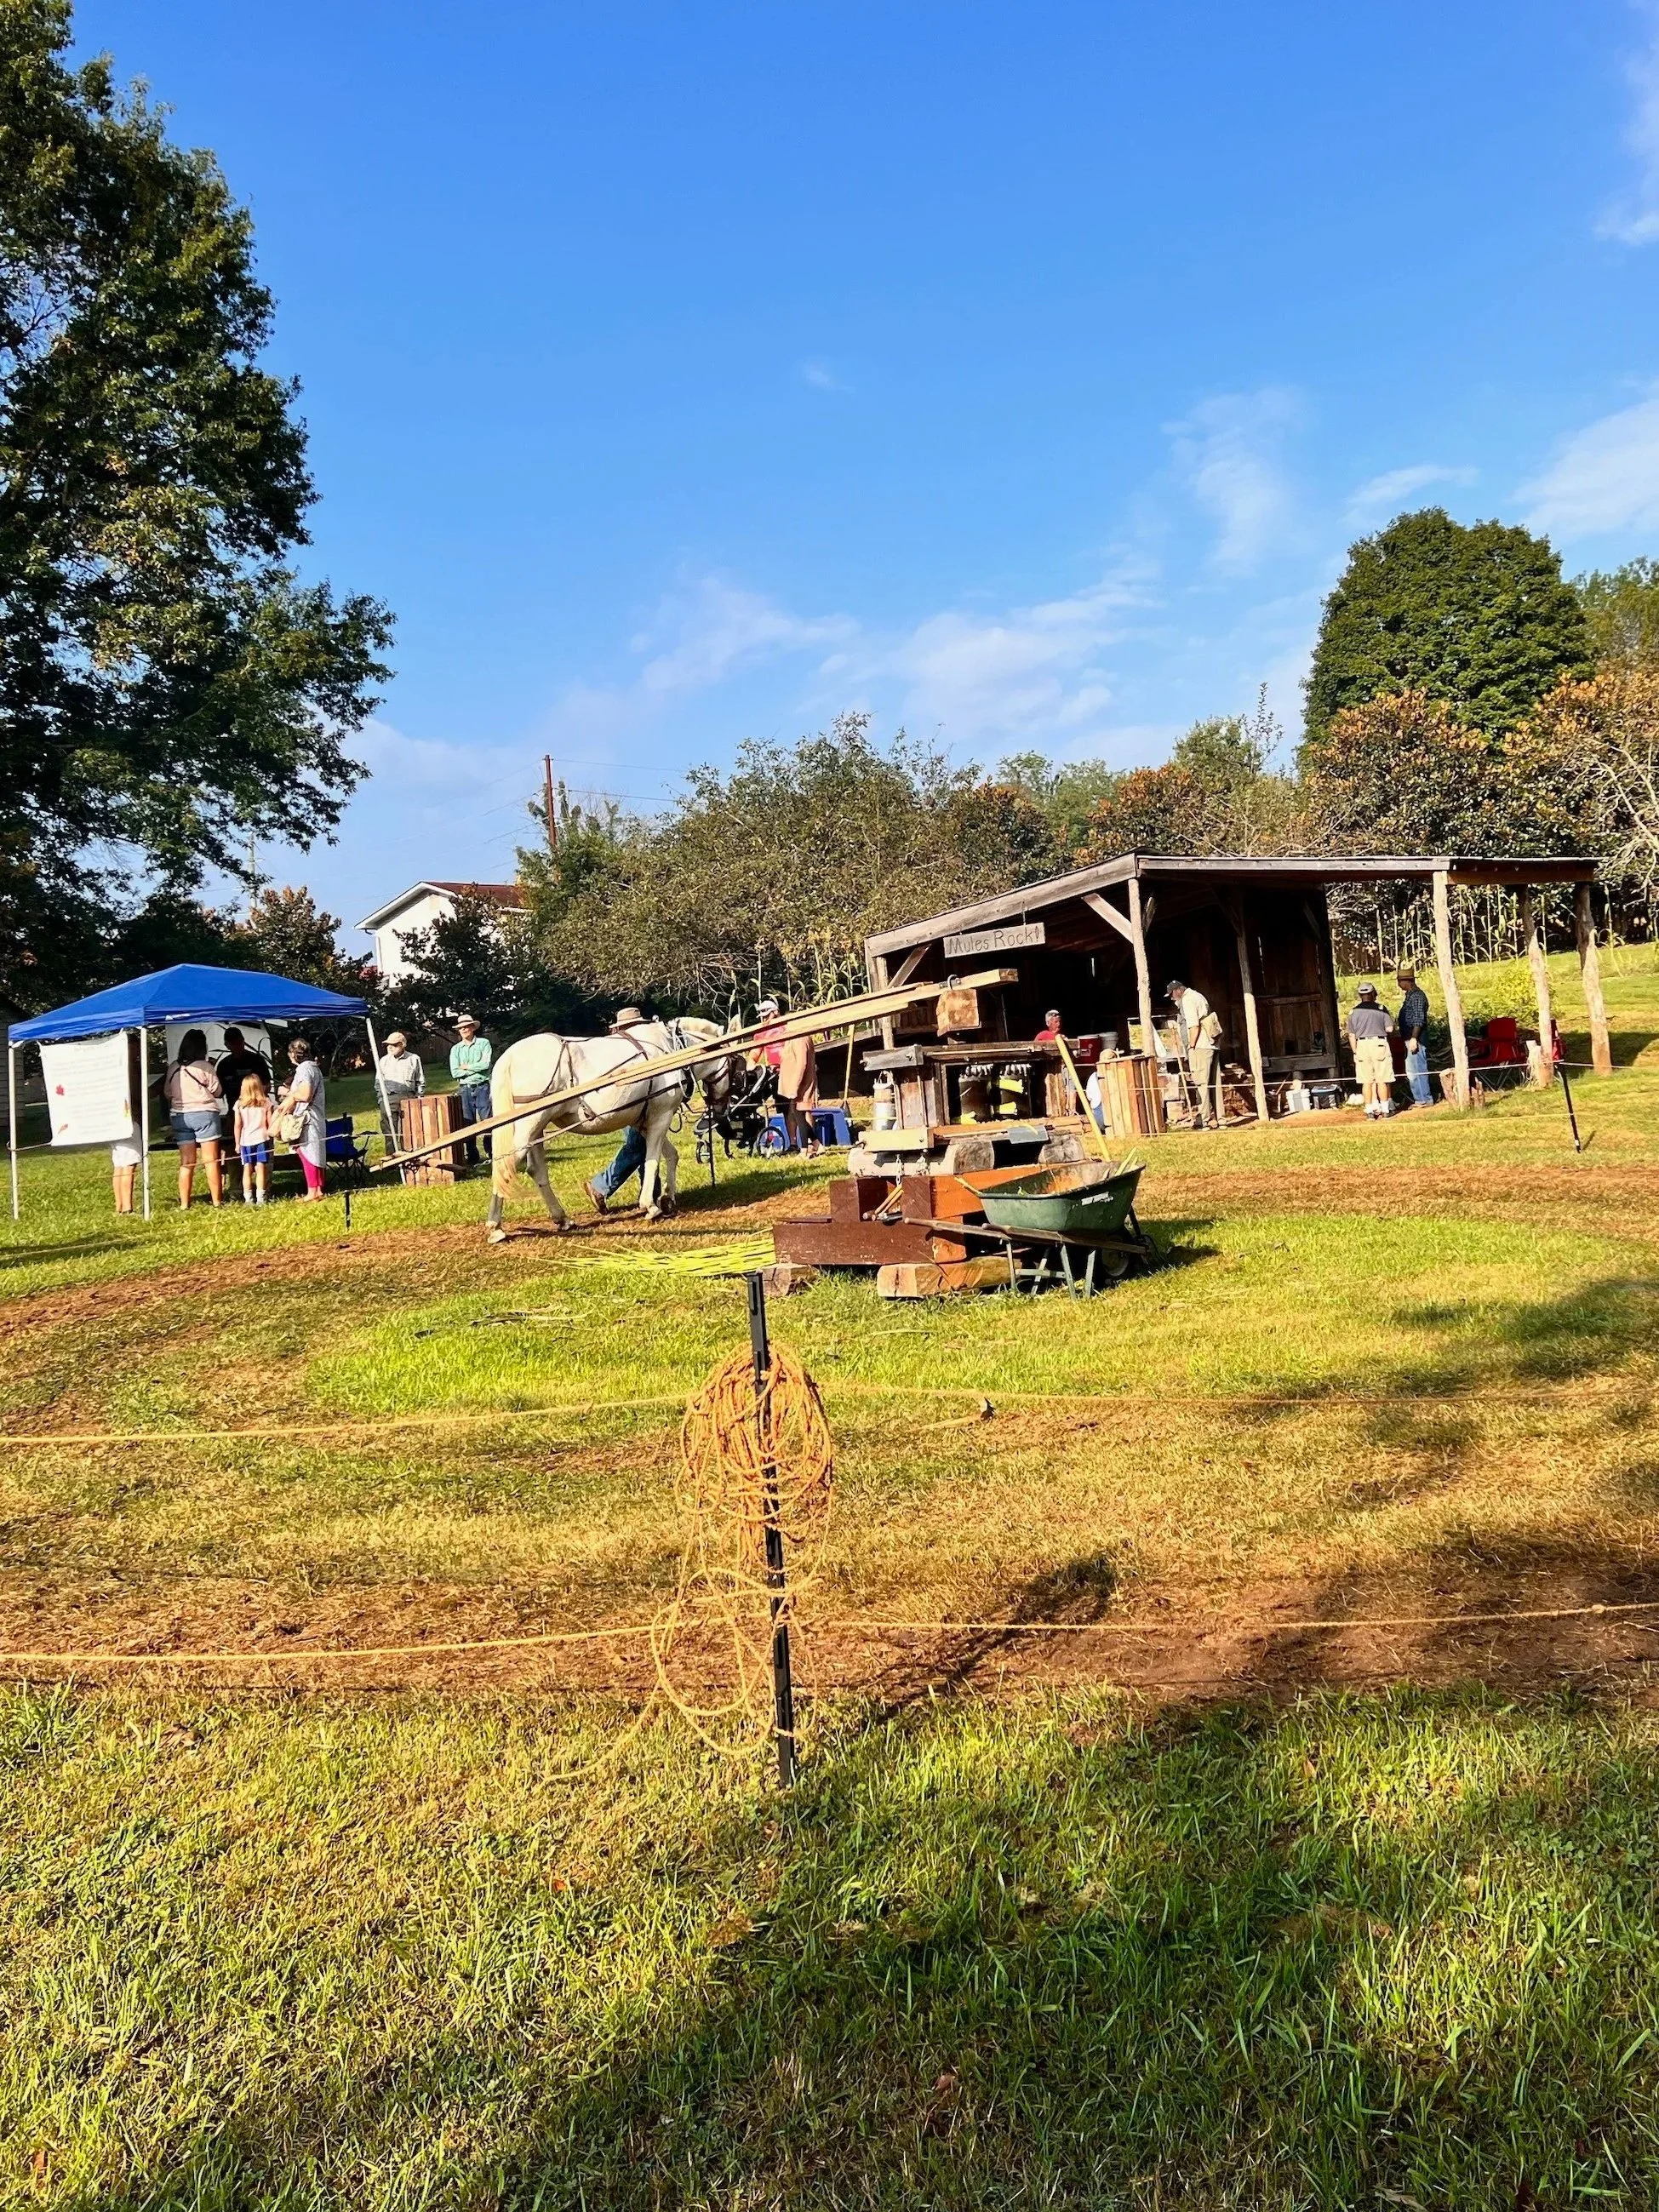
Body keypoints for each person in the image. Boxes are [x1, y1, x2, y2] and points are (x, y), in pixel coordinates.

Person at [586, 1009, 651, 1213]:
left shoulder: (632, 1047)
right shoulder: (624, 1050)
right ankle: (600, 1186)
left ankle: (650, 1192)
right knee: (638, 1145)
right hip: (629, 1104)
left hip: (636, 1103)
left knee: (647, 1145)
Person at [163, 1028, 226, 1207]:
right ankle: (216, 1202)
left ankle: (184, 1203)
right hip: (204, 1114)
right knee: (210, 1160)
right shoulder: (205, 1066)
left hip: (180, 1115)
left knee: (186, 1162)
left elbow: (168, 1093)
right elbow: (218, 1091)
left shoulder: (174, 1067)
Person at [275, 1036, 328, 1198]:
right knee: (315, 1154)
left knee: (307, 1153)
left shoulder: (305, 1069)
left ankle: (312, 1191)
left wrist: (287, 1093)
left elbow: (305, 1095)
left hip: (307, 1118)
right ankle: (318, 1189)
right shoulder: (313, 1067)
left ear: (293, 1054)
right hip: (314, 1116)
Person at [1167, 979, 1221, 1130]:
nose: (1172, 999)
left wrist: (1191, 1046)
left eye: (1172, 995)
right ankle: (1220, 1119)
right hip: (1212, 1044)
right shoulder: (1199, 995)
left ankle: (1205, 1121)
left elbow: (1194, 1026)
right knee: (1214, 1083)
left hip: (1201, 1046)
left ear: (1178, 990)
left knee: (1201, 1083)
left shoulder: (1188, 1000)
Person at [1347, 983, 1397, 1117]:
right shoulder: (1381, 1009)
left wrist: (1355, 1051)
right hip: (1379, 1043)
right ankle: (1385, 1109)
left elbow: (1351, 1035)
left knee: (1366, 1080)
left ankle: (1369, 1110)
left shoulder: (1353, 1012)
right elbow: (1390, 1029)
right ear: (1373, 994)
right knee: (1382, 1078)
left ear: (1360, 996)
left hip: (1362, 1045)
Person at [449, 1013, 493, 1166]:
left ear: (473, 1027)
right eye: (461, 1027)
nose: (464, 1029)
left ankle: (492, 1152)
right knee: (468, 1122)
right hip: (465, 1089)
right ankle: (472, 1155)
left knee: (488, 1120)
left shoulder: (484, 1043)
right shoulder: (456, 1049)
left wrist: (467, 1067)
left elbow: (486, 1065)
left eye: (467, 1026)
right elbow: (455, 1072)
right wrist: (476, 1068)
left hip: (482, 1087)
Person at [375, 1029, 426, 1149]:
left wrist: (419, 1098)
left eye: (394, 1045)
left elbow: (420, 1081)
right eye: (388, 1045)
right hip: (389, 1098)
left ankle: (408, 1157)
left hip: (409, 1097)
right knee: (389, 1131)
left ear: (402, 1045)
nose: (390, 1047)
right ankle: (392, 1160)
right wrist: (381, 1100)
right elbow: (378, 1083)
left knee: (408, 1130)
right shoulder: (383, 1061)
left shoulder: (414, 1059)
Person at [234, 1073, 274, 1206]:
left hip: (246, 1140)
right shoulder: (266, 1103)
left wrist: (237, 1143)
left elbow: (238, 1125)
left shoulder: (240, 1105)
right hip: (262, 1139)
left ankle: (248, 1198)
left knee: (247, 1168)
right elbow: (270, 1123)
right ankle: (261, 1197)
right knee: (261, 1167)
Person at [1396, 966, 1433, 1107]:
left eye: (1400, 981)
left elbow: (1418, 1019)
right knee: (1412, 1070)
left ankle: (1424, 1098)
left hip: (1415, 1038)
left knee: (1417, 1069)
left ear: (1408, 981)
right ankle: (1420, 1097)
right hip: (1409, 1037)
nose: (1399, 984)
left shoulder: (1417, 996)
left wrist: (1414, 1038)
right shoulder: (1410, 996)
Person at [215, 1026, 271, 1112]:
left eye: (238, 1042)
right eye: (233, 1043)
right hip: (234, 1110)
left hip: (256, 1109)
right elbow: (219, 1092)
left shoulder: (256, 1060)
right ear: (227, 1045)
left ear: (243, 1041)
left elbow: (267, 1085)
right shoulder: (224, 1065)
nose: (237, 1046)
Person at [110, 1135, 140, 1215]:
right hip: (128, 1131)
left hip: (115, 1132)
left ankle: (119, 1208)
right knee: (128, 1166)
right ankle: (127, 1209)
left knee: (119, 1166)